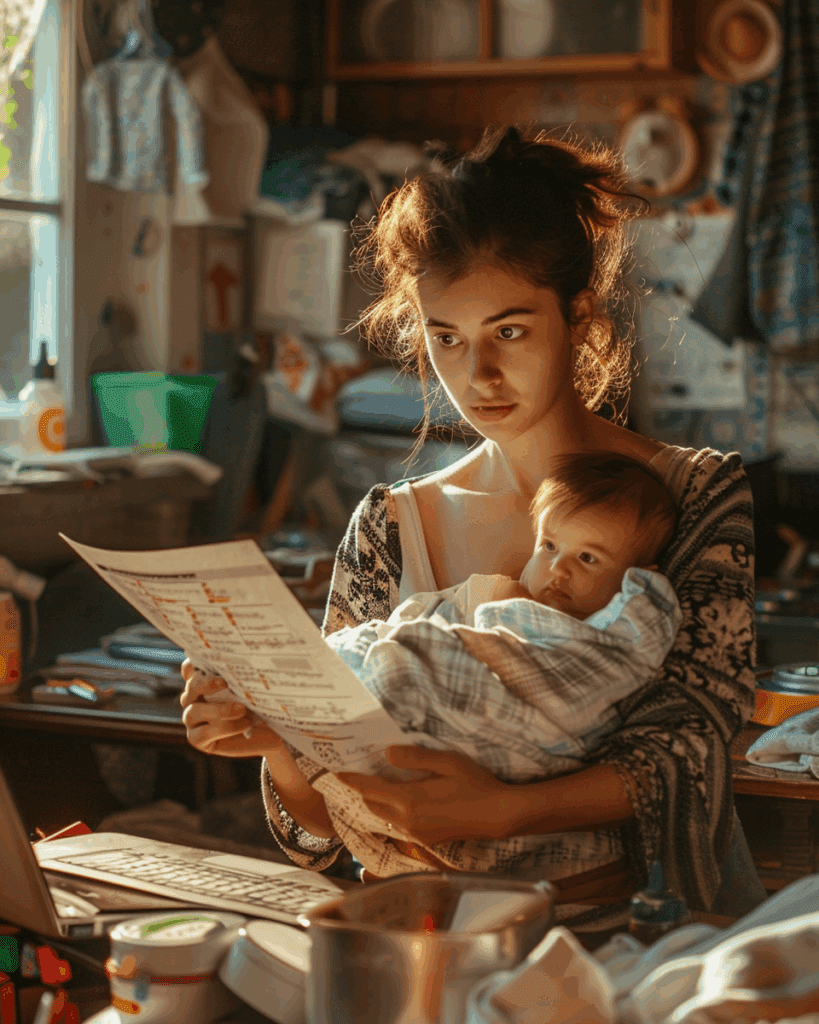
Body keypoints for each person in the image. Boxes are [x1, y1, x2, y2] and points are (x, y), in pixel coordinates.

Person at [180, 125, 760, 922]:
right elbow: (317, 840)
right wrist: (275, 742)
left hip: (615, 943)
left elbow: (693, 748)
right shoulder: (389, 524)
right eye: (445, 337)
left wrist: (506, 811)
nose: (477, 374)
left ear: (579, 317)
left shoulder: (690, 495)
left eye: (509, 332)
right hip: (413, 943)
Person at [308, 452, 684, 880]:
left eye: (588, 559)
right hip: (415, 808)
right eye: (550, 546)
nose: (558, 569)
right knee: (381, 659)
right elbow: (412, 622)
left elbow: (600, 685)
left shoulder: (614, 637)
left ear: (637, 578)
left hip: (535, 759)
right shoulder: (487, 595)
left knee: (396, 667)